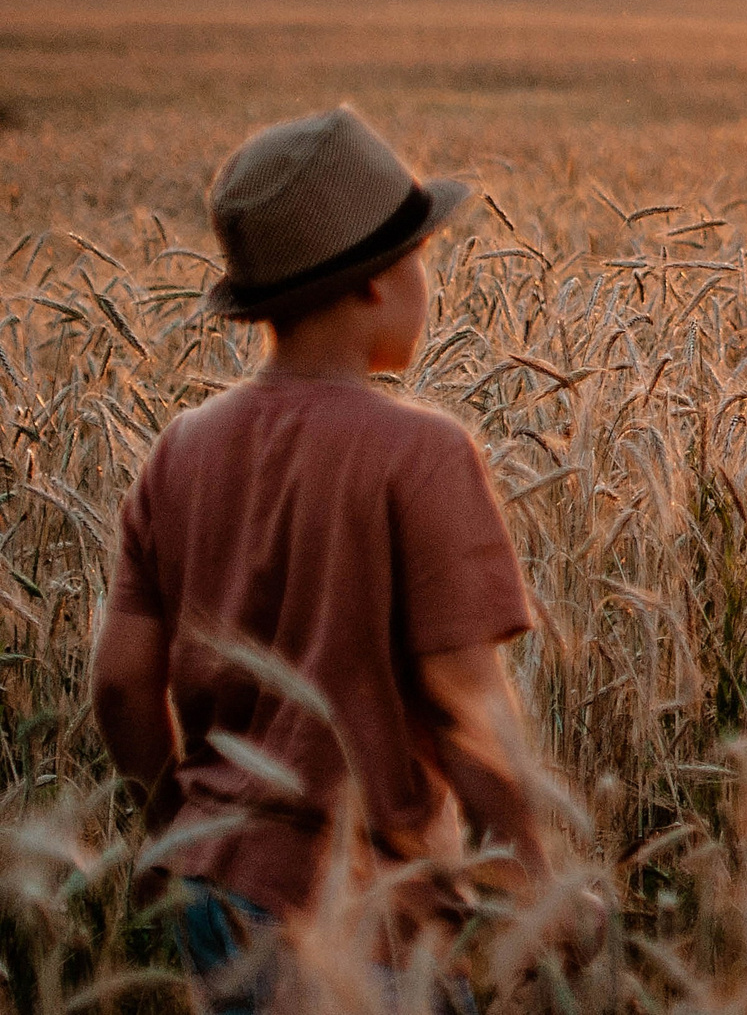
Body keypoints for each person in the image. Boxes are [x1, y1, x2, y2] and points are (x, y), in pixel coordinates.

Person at [90, 107, 551, 1013]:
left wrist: (176, 831)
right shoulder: (421, 454)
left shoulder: (180, 448)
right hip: (368, 917)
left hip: (214, 895)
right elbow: (469, 704)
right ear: (376, 283)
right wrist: (538, 880)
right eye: (420, 255)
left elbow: (118, 686)